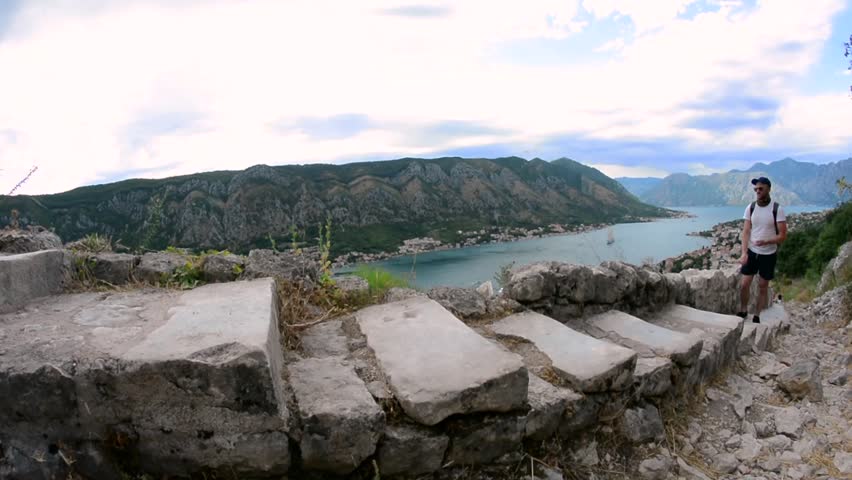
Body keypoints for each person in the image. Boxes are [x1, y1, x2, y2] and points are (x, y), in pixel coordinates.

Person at [738, 177, 787, 323]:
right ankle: (743, 310)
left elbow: (783, 236)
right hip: (752, 252)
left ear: (768, 189)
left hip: (769, 254)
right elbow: (746, 231)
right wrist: (744, 252)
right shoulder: (750, 207)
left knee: (763, 287)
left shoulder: (777, 209)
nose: (757, 191)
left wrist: (768, 241)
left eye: (761, 189)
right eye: (756, 189)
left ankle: (757, 315)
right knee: (744, 284)